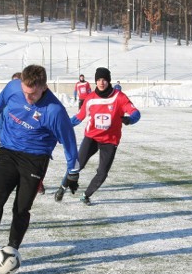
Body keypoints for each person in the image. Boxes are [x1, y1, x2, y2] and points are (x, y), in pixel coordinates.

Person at [0, 64, 80, 266]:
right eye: (25, 92)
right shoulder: (13, 87)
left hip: (35, 160)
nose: (28, 98)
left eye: (32, 94)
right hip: (8, 152)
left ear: (44, 87)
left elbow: (69, 142)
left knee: (21, 208)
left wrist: (73, 173)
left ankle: (12, 249)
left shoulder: (55, 111)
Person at [55, 67, 140, 205]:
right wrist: (63, 126)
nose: (101, 82)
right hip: (91, 138)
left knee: (102, 172)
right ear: (95, 81)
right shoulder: (90, 99)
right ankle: (62, 187)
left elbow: (135, 112)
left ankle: (86, 195)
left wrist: (130, 119)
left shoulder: (119, 97)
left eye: (104, 79)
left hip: (110, 141)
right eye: (99, 79)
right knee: (76, 165)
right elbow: (78, 117)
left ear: (109, 81)